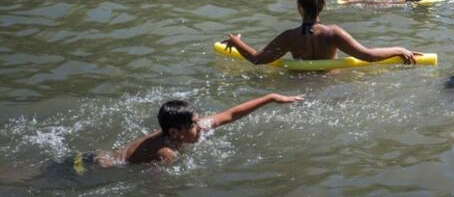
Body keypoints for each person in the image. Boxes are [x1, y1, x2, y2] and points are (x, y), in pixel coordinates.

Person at [73, 94, 303, 169]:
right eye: (194, 125)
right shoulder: (166, 154)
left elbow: (230, 115)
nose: (200, 127)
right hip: (97, 165)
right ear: (175, 133)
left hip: (97, 157)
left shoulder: (184, 130)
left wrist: (272, 98)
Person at [223, 0, 419, 65]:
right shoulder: (333, 33)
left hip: (298, 86)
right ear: (323, 5)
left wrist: (236, 41)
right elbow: (367, 55)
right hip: (329, 83)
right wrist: (399, 49)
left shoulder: (290, 37)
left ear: (299, 6)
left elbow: (258, 59)